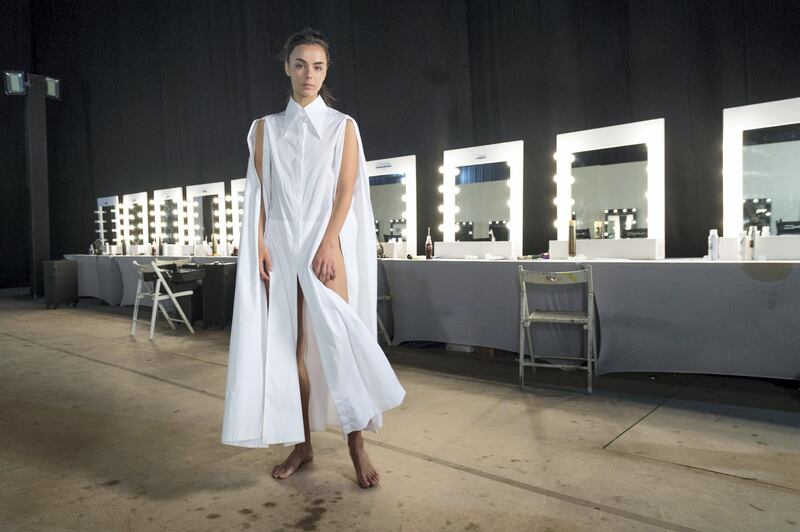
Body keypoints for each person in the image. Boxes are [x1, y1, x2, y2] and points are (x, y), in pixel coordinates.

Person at [221, 27, 406, 489]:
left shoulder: (342, 126)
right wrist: (260, 241)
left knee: (339, 342)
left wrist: (328, 243)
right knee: (290, 350)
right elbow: (261, 193)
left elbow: (346, 191)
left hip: (324, 241)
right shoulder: (263, 129)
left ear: (327, 71)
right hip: (280, 246)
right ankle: (302, 444)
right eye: (300, 64)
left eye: (318, 66)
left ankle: (357, 446)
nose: (309, 74)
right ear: (286, 67)